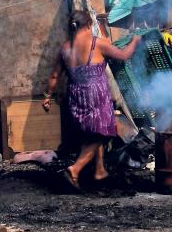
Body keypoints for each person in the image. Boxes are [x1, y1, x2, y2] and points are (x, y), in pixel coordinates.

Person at [43, 10, 140, 189]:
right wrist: (134, 41)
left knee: (92, 132)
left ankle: (99, 170)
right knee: (103, 133)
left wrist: (47, 97)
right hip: (96, 96)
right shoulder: (98, 44)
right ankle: (75, 169)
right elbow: (124, 55)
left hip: (76, 96)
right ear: (89, 25)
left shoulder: (65, 48)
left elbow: (55, 77)